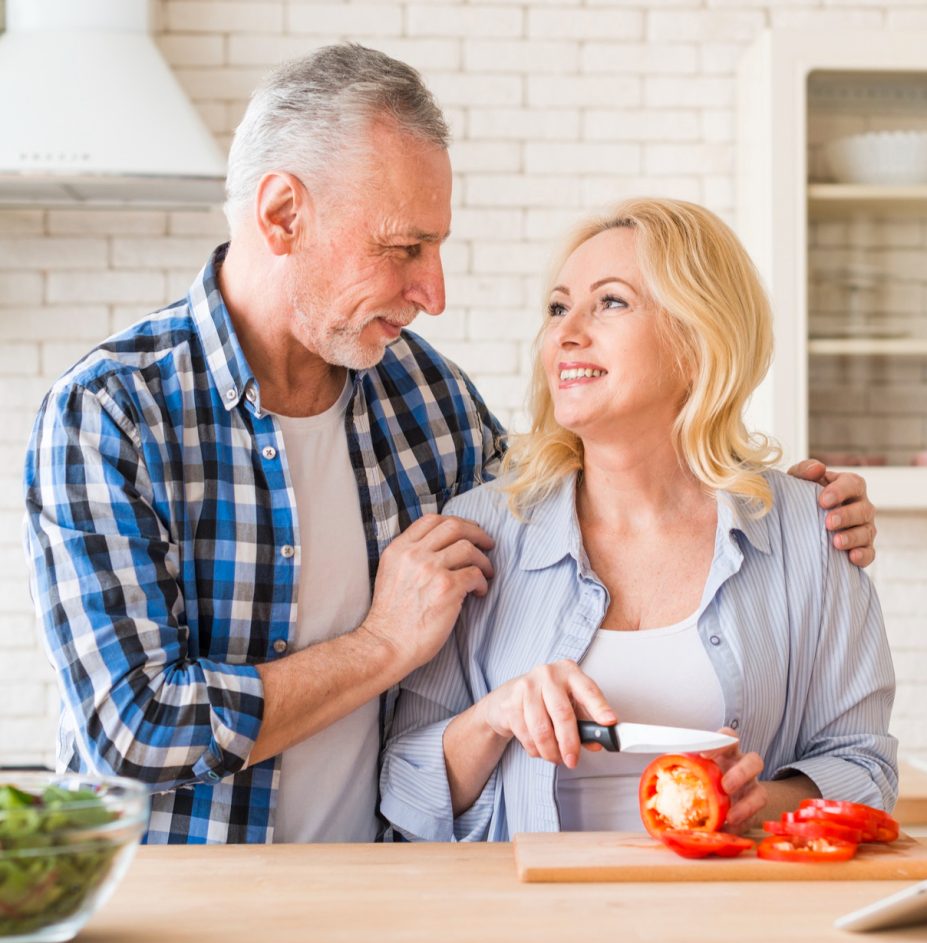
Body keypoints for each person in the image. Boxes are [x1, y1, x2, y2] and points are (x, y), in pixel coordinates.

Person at [23, 45, 875, 845]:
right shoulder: (112, 414)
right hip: (183, 915)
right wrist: (381, 645)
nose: (431, 291)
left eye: (436, 247)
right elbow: (129, 732)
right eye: (404, 249)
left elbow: (581, 496)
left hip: (385, 902)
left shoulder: (426, 402)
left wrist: (795, 506)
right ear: (283, 215)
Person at [380, 198, 896, 844]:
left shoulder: (809, 530)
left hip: (733, 925)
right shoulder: (481, 535)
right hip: (528, 927)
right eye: (558, 308)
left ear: (696, 336)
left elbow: (863, 763)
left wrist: (760, 804)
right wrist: (495, 718)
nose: (566, 333)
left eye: (611, 302)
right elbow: (403, 792)